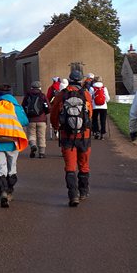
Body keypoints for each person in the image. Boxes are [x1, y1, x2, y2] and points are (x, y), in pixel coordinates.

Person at [49, 69, 94, 207]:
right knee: (84, 164)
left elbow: (54, 114)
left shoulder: (62, 95)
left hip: (67, 135)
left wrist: (56, 127)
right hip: (84, 135)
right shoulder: (85, 94)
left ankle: (73, 195)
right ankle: (84, 191)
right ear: (81, 80)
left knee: (70, 166)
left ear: (69, 79)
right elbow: (90, 113)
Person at [21, 80, 50, 158]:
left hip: (30, 120)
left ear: (31, 87)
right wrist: (44, 113)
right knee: (41, 136)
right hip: (41, 120)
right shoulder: (43, 96)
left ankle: (33, 145)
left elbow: (23, 106)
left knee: (31, 135)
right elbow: (48, 108)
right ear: (40, 87)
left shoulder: (27, 96)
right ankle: (41, 153)